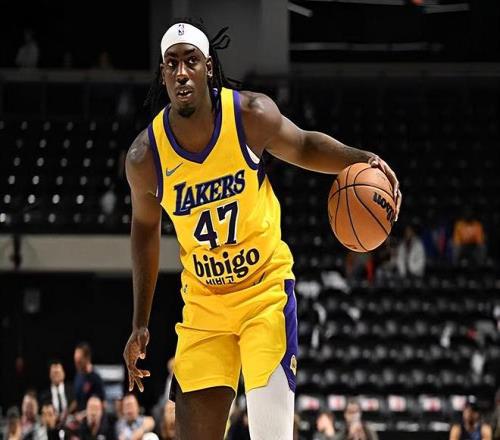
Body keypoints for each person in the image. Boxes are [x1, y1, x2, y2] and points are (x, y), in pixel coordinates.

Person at [122, 18, 401, 440]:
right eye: (171, 63)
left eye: (191, 61)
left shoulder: (249, 115)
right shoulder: (146, 157)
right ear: (162, 74)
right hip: (204, 305)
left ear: (208, 67)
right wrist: (140, 321)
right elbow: (145, 229)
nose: (181, 72)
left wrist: (361, 159)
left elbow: (303, 144)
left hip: (263, 294)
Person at [73, 342, 105, 412]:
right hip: (78, 415)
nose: (77, 365)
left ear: (87, 358)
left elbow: (102, 404)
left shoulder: (96, 378)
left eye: (79, 361)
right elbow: (78, 401)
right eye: (75, 361)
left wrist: (84, 414)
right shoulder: (78, 376)